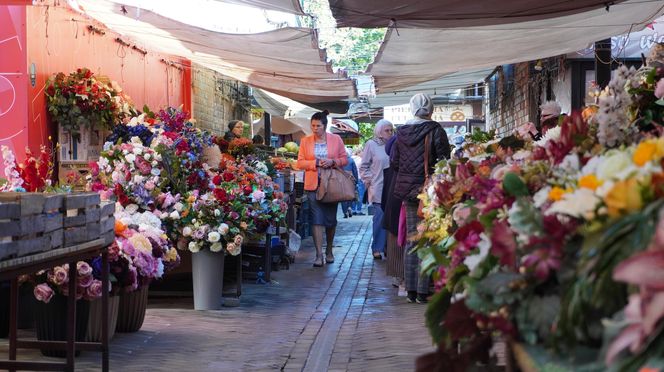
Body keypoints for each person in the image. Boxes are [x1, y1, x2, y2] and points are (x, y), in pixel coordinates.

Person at [391, 93, 450, 304]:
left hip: (407, 191)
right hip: (429, 191)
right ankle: (423, 291)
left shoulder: (401, 132)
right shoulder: (435, 130)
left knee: (411, 238)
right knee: (426, 238)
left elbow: (394, 162)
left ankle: (411, 290)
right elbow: (444, 161)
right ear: (430, 109)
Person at [297, 110, 348, 267]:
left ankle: (330, 250)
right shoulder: (305, 141)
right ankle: (319, 255)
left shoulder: (336, 139)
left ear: (325, 126)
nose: (315, 128)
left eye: (318, 126)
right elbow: (299, 163)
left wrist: (332, 162)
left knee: (330, 220)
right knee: (316, 219)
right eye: (312, 125)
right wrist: (315, 163)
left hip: (331, 184)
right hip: (313, 184)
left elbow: (344, 159)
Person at [360, 119, 394, 259]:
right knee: (379, 219)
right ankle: (377, 248)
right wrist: (370, 180)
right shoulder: (372, 144)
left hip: (392, 187)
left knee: (391, 220)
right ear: (379, 132)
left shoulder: (394, 145)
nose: (390, 133)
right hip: (378, 187)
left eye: (391, 130)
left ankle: (388, 248)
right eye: (387, 130)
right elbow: (364, 166)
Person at [340, 148, 359, 219]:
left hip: (341, 180)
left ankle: (345, 212)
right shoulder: (351, 160)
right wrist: (356, 181)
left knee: (342, 197)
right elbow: (355, 171)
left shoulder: (339, 161)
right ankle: (350, 207)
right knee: (350, 195)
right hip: (350, 179)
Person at [351, 147, 366, 215]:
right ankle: (359, 210)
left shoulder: (351, 159)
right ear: (359, 153)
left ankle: (353, 209)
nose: (363, 153)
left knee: (353, 194)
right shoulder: (361, 160)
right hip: (360, 179)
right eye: (362, 152)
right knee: (360, 195)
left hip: (352, 179)